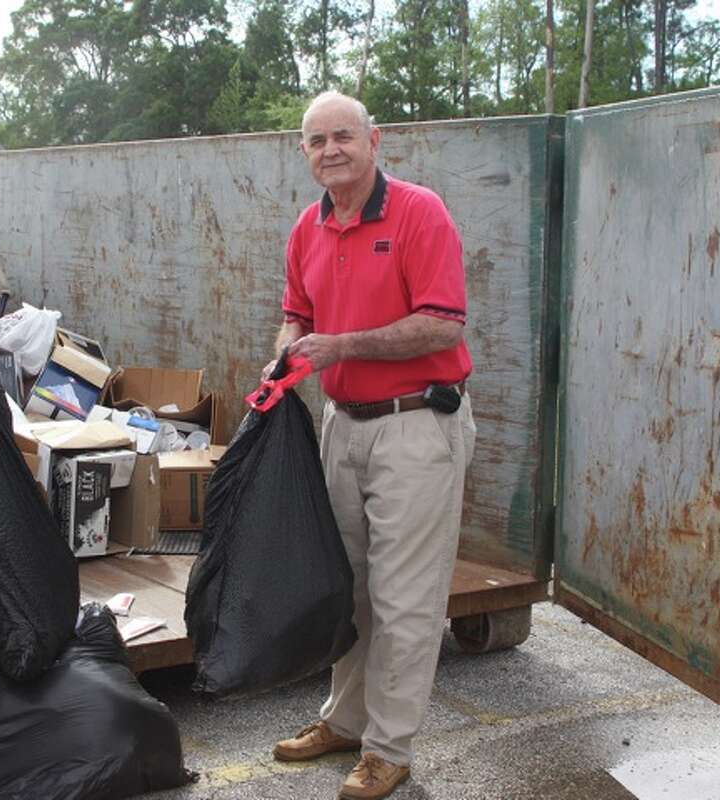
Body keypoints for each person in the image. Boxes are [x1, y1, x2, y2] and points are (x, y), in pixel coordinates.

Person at [268, 92, 476, 800]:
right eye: (317, 140)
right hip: (342, 422)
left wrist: (341, 345)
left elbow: (444, 325)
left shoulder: (419, 212)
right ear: (304, 152)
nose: (331, 150)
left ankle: (389, 749)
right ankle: (346, 721)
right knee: (347, 585)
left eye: (344, 137)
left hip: (416, 424)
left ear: (374, 140)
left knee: (405, 598)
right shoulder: (308, 227)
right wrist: (287, 359)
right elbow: (295, 316)